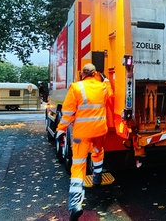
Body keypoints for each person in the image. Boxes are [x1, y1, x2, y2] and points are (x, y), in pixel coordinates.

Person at [56, 63, 113, 220]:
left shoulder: (76, 87)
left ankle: (75, 205)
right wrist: (106, 79)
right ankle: (97, 177)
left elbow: (67, 113)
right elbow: (111, 94)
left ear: (82, 74)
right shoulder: (102, 87)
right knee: (98, 152)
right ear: (95, 74)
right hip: (100, 130)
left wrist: (61, 129)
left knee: (78, 165)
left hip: (82, 133)